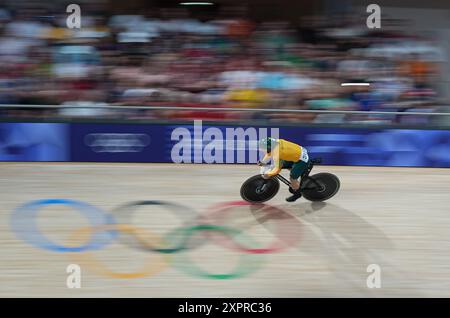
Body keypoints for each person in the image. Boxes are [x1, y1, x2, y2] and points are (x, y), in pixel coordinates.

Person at [257, 137, 309, 202]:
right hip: (298, 152)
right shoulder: (275, 142)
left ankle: (297, 194)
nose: (262, 150)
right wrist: (263, 161)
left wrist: (269, 174)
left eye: (263, 148)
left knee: (292, 178)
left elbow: (277, 170)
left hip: (301, 160)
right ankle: (297, 176)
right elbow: (269, 153)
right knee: (286, 165)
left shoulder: (278, 153)